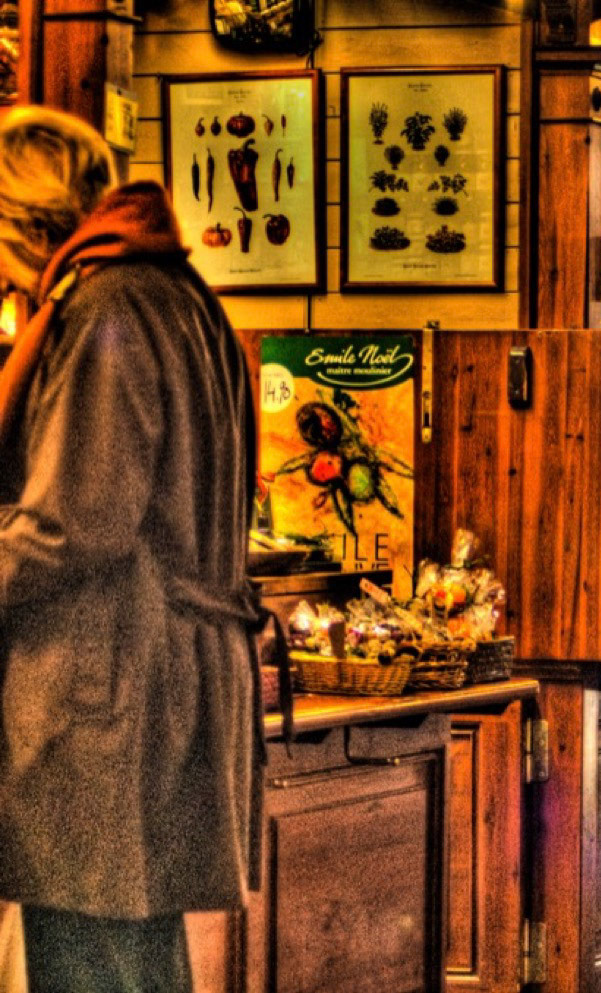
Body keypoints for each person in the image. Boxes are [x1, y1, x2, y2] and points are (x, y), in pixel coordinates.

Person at [0, 107, 256, 991]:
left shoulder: (108, 304)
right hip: (162, 680)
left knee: (88, 957)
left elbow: (77, 521)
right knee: (138, 960)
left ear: (33, 225)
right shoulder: (182, 298)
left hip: (105, 697)